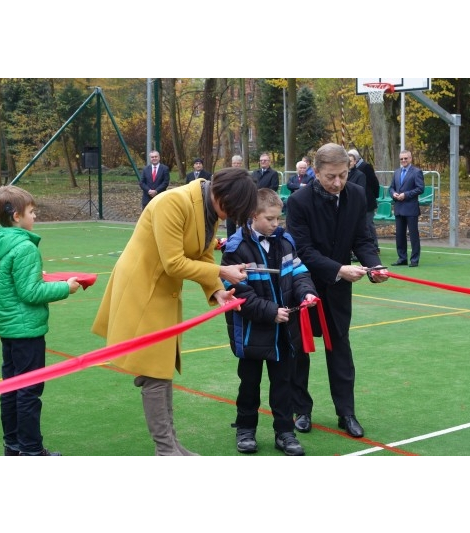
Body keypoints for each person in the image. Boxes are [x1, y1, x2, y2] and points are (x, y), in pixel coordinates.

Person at [92, 168, 258, 456]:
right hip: (141, 292)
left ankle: (172, 446)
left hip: (163, 295)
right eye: (229, 210)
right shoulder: (172, 203)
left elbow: (202, 253)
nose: (226, 217)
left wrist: (216, 289)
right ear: (222, 195)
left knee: (162, 370)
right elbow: (174, 263)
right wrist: (222, 270)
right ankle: (166, 450)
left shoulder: (208, 207)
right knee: (154, 374)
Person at [285, 143, 389, 438]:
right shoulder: (299, 201)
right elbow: (302, 250)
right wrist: (338, 269)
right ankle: (301, 410)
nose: (338, 183)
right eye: (331, 176)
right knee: (300, 351)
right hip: (302, 287)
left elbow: (363, 239)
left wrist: (374, 266)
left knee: (340, 350)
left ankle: (347, 413)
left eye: (343, 175)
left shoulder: (356, 195)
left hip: (339, 290)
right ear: (315, 172)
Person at [0, 185, 82, 456]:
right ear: (16, 217)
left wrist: (37, 274)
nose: (35, 217)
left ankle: (13, 445)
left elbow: (11, 280)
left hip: (8, 327)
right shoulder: (24, 247)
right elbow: (30, 292)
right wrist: (66, 288)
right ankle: (31, 450)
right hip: (26, 330)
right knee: (28, 391)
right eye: (32, 212)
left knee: (11, 387)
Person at [222, 188, 318, 456]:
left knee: (283, 385)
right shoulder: (235, 248)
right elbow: (238, 294)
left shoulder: (285, 241)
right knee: (249, 384)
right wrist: (270, 311)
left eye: (279, 218)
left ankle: (284, 432)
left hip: (283, 333)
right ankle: (245, 429)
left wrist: (307, 292)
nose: (276, 224)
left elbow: (299, 272)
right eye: (271, 218)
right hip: (252, 331)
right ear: (253, 216)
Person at [389, 149, 424, 267]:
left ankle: (414, 259)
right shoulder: (397, 172)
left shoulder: (416, 172)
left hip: (411, 208)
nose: (403, 160)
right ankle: (402, 258)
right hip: (399, 208)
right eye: (401, 159)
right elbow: (391, 187)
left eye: (405, 158)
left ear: (410, 158)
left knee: (413, 235)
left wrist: (406, 195)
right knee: (399, 235)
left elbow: (420, 188)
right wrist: (393, 194)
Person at [348, 148, 380, 253]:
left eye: (351, 160)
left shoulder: (365, 167)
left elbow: (374, 183)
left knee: (368, 224)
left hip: (368, 201)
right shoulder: (347, 172)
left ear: (355, 160)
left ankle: (374, 246)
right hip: (355, 203)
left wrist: (374, 196)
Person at [227, 155, 246, 238]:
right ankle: (230, 243)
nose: (236, 165)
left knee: (243, 224)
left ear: (241, 164)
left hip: (242, 202)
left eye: (238, 163)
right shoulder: (227, 174)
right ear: (232, 164)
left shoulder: (245, 175)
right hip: (230, 203)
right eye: (234, 163)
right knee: (230, 225)